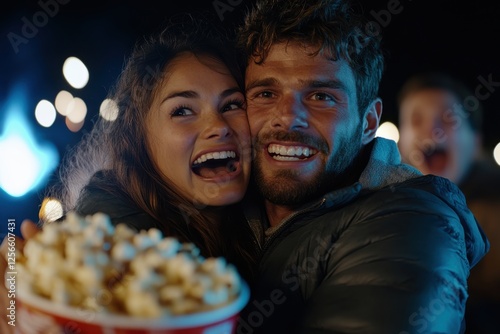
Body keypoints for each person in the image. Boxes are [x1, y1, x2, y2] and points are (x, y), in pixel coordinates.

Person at [234, 0, 489, 333]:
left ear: (369, 121)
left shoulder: (414, 224)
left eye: (321, 96)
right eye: (266, 93)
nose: (287, 117)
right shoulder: (224, 201)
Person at [0, 13, 258, 333]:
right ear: (140, 142)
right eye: (182, 111)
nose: (218, 127)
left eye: (232, 105)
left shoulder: (260, 224)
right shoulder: (109, 244)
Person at [397, 71, 500, 333]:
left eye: (448, 117)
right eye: (416, 119)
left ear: (476, 144)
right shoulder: (379, 215)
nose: (432, 130)